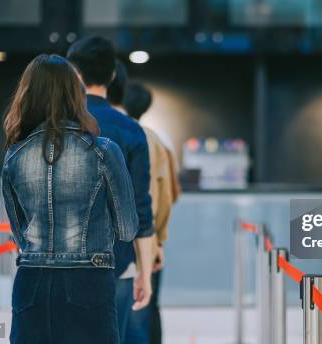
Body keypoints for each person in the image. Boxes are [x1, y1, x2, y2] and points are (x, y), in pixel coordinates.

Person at [2, 54, 138, 343]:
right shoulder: (104, 150)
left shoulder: (14, 154)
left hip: (31, 281)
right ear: (76, 94)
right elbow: (128, 229)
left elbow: (18, 233)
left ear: (27, 94)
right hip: (89, 280)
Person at [67, 36, 155, 342]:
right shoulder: (131, 130)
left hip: (61, 261)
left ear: (74, 74)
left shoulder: (55, 124)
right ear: (113, 75)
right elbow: (142, 208)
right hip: (116, 263)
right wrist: (144, 270)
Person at [107, 63, 180, 344]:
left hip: (106, 246)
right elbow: (166, 194)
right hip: (144, 242)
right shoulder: (152, 139)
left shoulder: (90, 129)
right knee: (140, 319)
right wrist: (158, 239)